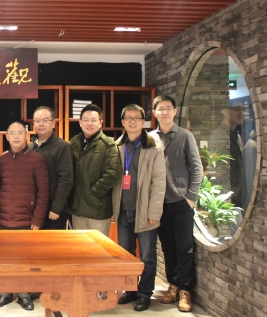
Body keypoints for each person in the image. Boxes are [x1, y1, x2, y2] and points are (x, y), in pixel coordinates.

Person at [150, 95, 203, 313]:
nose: (164, 112)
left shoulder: (185, 136)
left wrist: (191, 197)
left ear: (174, 111)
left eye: (168, 108)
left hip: (181, 201)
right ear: (154, 113)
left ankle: (185, 290)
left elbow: (197, 167)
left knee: (184, 248)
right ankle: (172, 285)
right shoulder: (150, 137)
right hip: (159, 202)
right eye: (160, 109)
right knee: (168, 247)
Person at [112, 105, 166, 312]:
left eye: (136, 118)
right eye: (128, 118)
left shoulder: (154, 147)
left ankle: (144, 293)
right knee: (126, 255)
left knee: (147, 257)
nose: (132, 121)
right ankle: (130, 290)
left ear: (143, 121)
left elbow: (159, 182)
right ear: (123, 122)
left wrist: (154, 212)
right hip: (123, 209)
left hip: (145, 211)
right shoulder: (117, 146)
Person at [0, 122, 49, 311]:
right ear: (7, 136)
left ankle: (24, 295)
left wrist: (37, 219)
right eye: (12, 133)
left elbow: (43, 192)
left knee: (25, 260)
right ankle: (5, 293)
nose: (16, 136)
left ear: (26, 136)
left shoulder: (37, 159)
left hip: (27, 219)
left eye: (20, 133)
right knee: (4, 259)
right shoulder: (2, 160)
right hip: (4, 219)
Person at [69, 104, 122, 236]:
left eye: (93, 120)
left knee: (99, 247)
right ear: (80, 122)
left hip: (98, 210)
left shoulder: (108, 144)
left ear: (100, 123)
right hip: (77, 210)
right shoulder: (73, 143)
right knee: (79, 247)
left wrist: (93, 193)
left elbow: (114, 174)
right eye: (86, 120)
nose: (89, 123)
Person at [29, 106, 73, 230]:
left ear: (53, 123)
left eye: (45, 120)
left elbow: (66, 180)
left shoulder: (62, 147)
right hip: (33, 209)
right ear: (33, 124)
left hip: (53, 211)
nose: (41, 124)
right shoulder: (29, 147)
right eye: (37, 121)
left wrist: (56, 208)